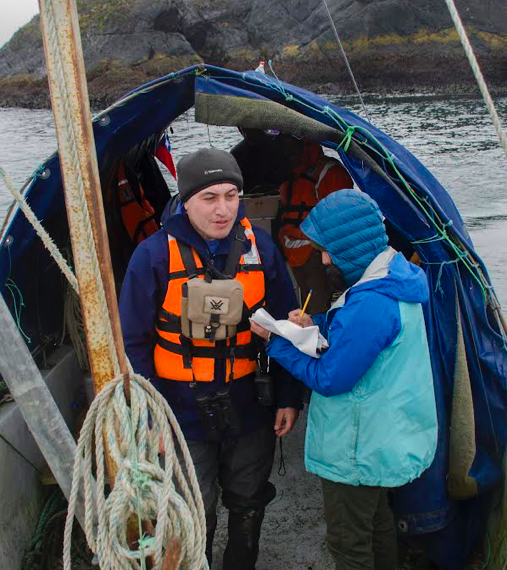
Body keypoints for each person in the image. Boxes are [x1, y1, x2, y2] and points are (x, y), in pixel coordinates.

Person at [118, 148, 302, 570]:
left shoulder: (264, 250)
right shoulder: (153, 256)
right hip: (181, 410)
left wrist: (288, 398)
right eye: (209, 197)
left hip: (250, 404)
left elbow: (287, 328)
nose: (223, 209)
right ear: (186, 200)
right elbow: (134, 342)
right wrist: (152, 418)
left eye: (231, 195)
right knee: (192, 508)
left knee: (249, 500)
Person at [250, 189, 438, 570]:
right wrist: (314, 324)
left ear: (351, 246)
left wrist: (276, 342)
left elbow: (331, 378)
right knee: (378, 523)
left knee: (348, 542)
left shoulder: (373, 302)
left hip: (359, 449)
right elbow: (355, 332)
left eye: (327, 249)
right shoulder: (393, 279)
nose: (322, 258)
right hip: (384, 438)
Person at [276, 137, 353, 314]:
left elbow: (340, 221)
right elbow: (284, 213)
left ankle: (321, 338)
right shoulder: (291, 174)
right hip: (293, 252)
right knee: (306, 305)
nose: (288, 152)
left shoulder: (330, 173)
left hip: (316, 255)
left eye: (292, 146)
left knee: (318, 308)